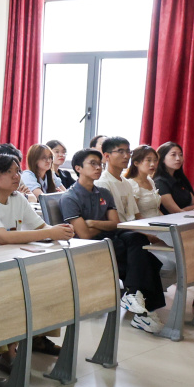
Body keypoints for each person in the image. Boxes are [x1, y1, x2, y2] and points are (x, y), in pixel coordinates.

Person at [61, 148, 164, 335]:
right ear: (78, 168)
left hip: (111, 238)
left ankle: (133, 295)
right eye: (92, 164)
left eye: (99, 164)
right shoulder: (70, 197)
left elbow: (115, 223)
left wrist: (93, 223)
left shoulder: (104, 192)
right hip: (89, 245)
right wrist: (103, 226)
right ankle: (143, 310)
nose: (98, 168)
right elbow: (84, 234)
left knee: (137, 237)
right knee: (146, 260)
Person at [0, 154, 75, 251]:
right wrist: (50, 232)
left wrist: (61, 231)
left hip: (2, 255)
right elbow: (3, 237)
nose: (16, 176)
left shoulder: (17, 198)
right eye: (9, 171)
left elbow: (40, 226)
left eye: (17, 171)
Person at [96, 137, 138, 222]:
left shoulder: (126, 183)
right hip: (118, 228)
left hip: (132, 226)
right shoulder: (102, 183)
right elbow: (106, 219)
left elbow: (136, 214)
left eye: (128, 152)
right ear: (107, 156)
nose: (126, 156)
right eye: (121, 152)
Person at [154, 142, 194, 213]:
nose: (178, 158)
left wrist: (183, 211)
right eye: (173, 155)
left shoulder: (180, 179)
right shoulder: (159, 182)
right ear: (162, 159)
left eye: (181, 155)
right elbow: (175, 211)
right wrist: (186, 210)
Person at [126, 145, 162, 219]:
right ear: (136, 163)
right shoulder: (132, 184)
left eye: (155, 160)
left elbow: (156, 209)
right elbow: (135, 215)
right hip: (144, 223)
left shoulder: (150, 181)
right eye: (148, 160)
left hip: (157, 220)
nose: (153, 164)